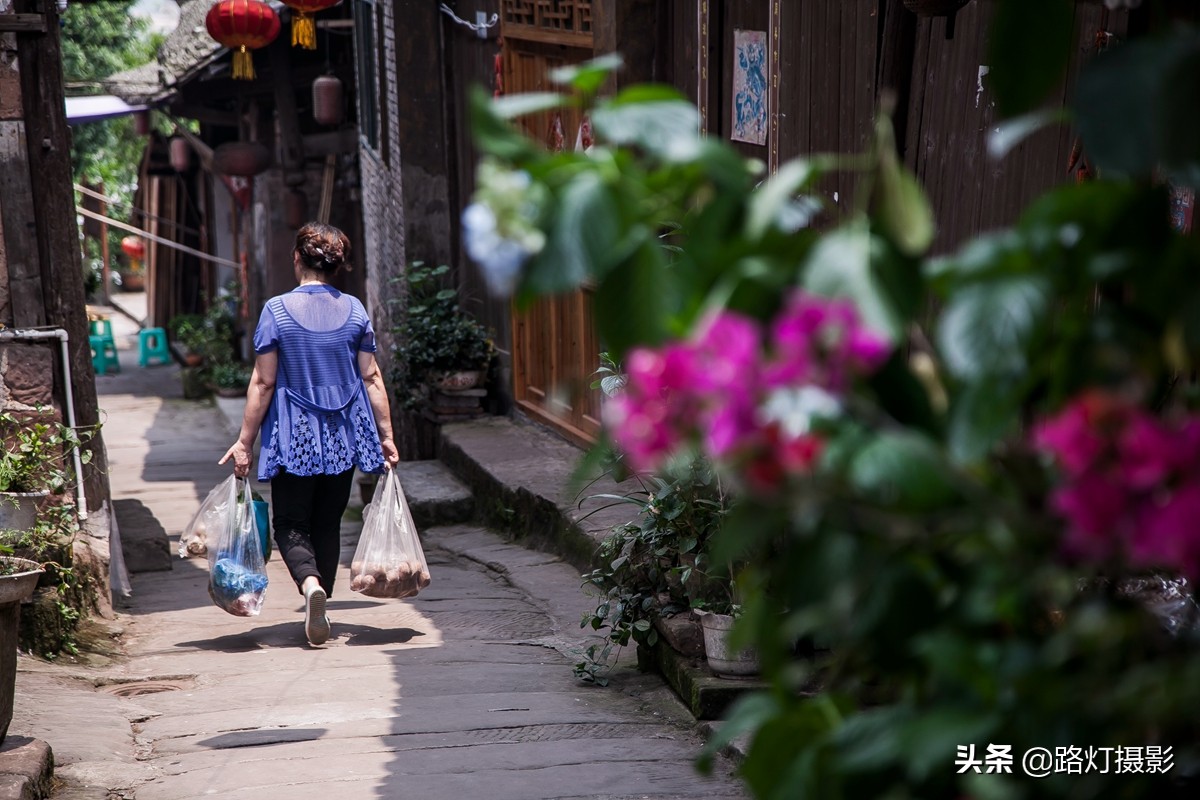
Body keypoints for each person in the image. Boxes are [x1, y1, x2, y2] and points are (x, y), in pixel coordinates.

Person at [220, 222, 399, 646]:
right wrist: (386, 433)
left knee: (290, 522)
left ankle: (310, 586)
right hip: (344, 435)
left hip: (293, 433)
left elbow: (263, 383)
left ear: (297, 258)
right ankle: (321, 598)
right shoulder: (355, 310)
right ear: (336, 266)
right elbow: (371, 377)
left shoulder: (277, 311)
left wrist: (244, 441)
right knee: (328, 521)